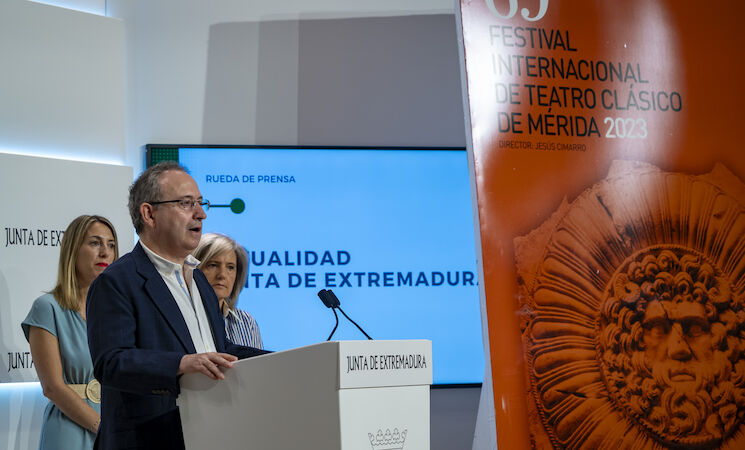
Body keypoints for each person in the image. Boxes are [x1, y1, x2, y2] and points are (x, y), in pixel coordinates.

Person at [86, 162, 269, 450]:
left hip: (210, 435)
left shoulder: (198, 279)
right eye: (186, 203)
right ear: (149, 214)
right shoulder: (117, 282)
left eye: (200, 203)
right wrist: (181, 364)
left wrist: (287, 359)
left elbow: (215, 350)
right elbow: (111, 363)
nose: (201, 214)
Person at [22, 215, 118, 450]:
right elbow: (53, 388)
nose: (105, 252)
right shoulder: (47, 308)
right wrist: (104, 428)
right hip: (69, 430)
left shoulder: (117, 312)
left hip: (117, 426)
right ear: (72, 250)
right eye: (95, 243)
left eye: (111, 245)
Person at [192, 233, 263, 349]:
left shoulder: (246, 322)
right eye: (213, 265)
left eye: (230, 267)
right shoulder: (181, 318)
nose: (222, 275)